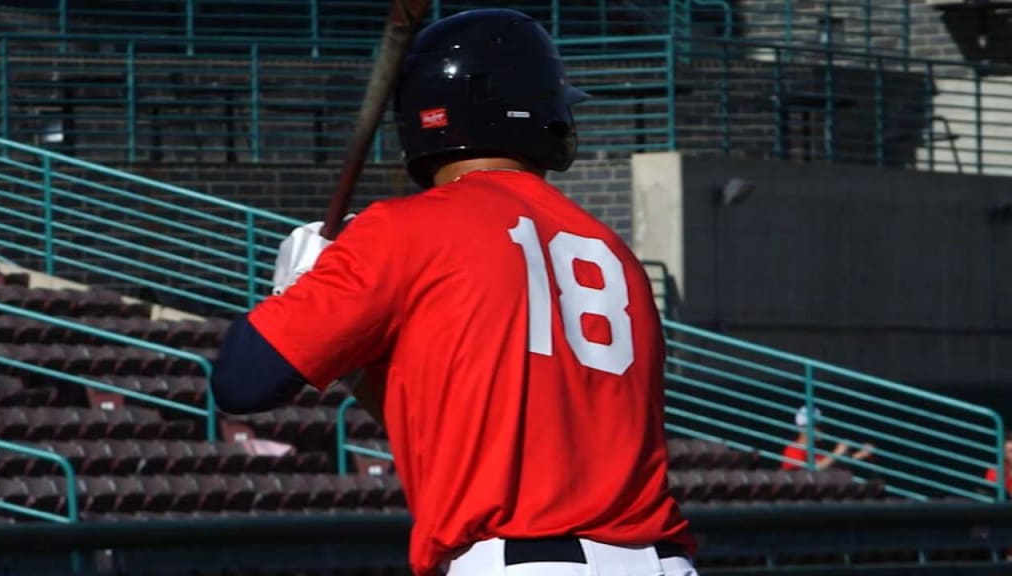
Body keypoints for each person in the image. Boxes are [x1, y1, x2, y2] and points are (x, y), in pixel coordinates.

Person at [211, 8, 697, 576]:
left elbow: (243, 381)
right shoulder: (613, 252)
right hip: (658, 561)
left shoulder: (405, 230)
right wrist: (352, 357)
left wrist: (295, 296)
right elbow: (455, 436)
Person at [781, 405, 873, 471]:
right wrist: (837, 453)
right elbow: (813, 470)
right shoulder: (793, 450)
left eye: (822, 426)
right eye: (818, 426)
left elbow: (832, 465)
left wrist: (861, 454)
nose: (822, 430)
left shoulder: (815, 451)